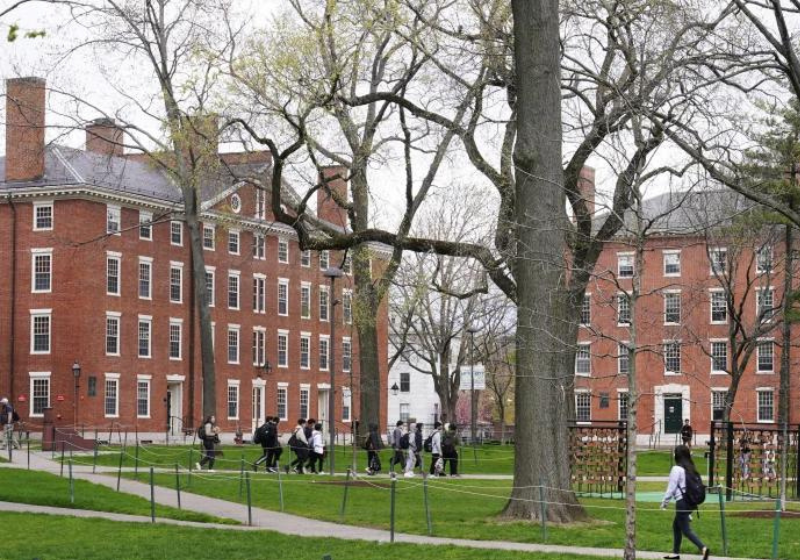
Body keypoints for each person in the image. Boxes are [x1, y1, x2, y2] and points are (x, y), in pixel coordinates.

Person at [660, 445, 710, 560]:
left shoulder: (676, 469)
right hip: (690, 502)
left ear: (677, 455)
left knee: (686, 530)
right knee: (676, 526)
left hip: (682, 502)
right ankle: (675, 553)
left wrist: (664, 503)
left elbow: (671, 488)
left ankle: (703, 548)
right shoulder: (691, 468)